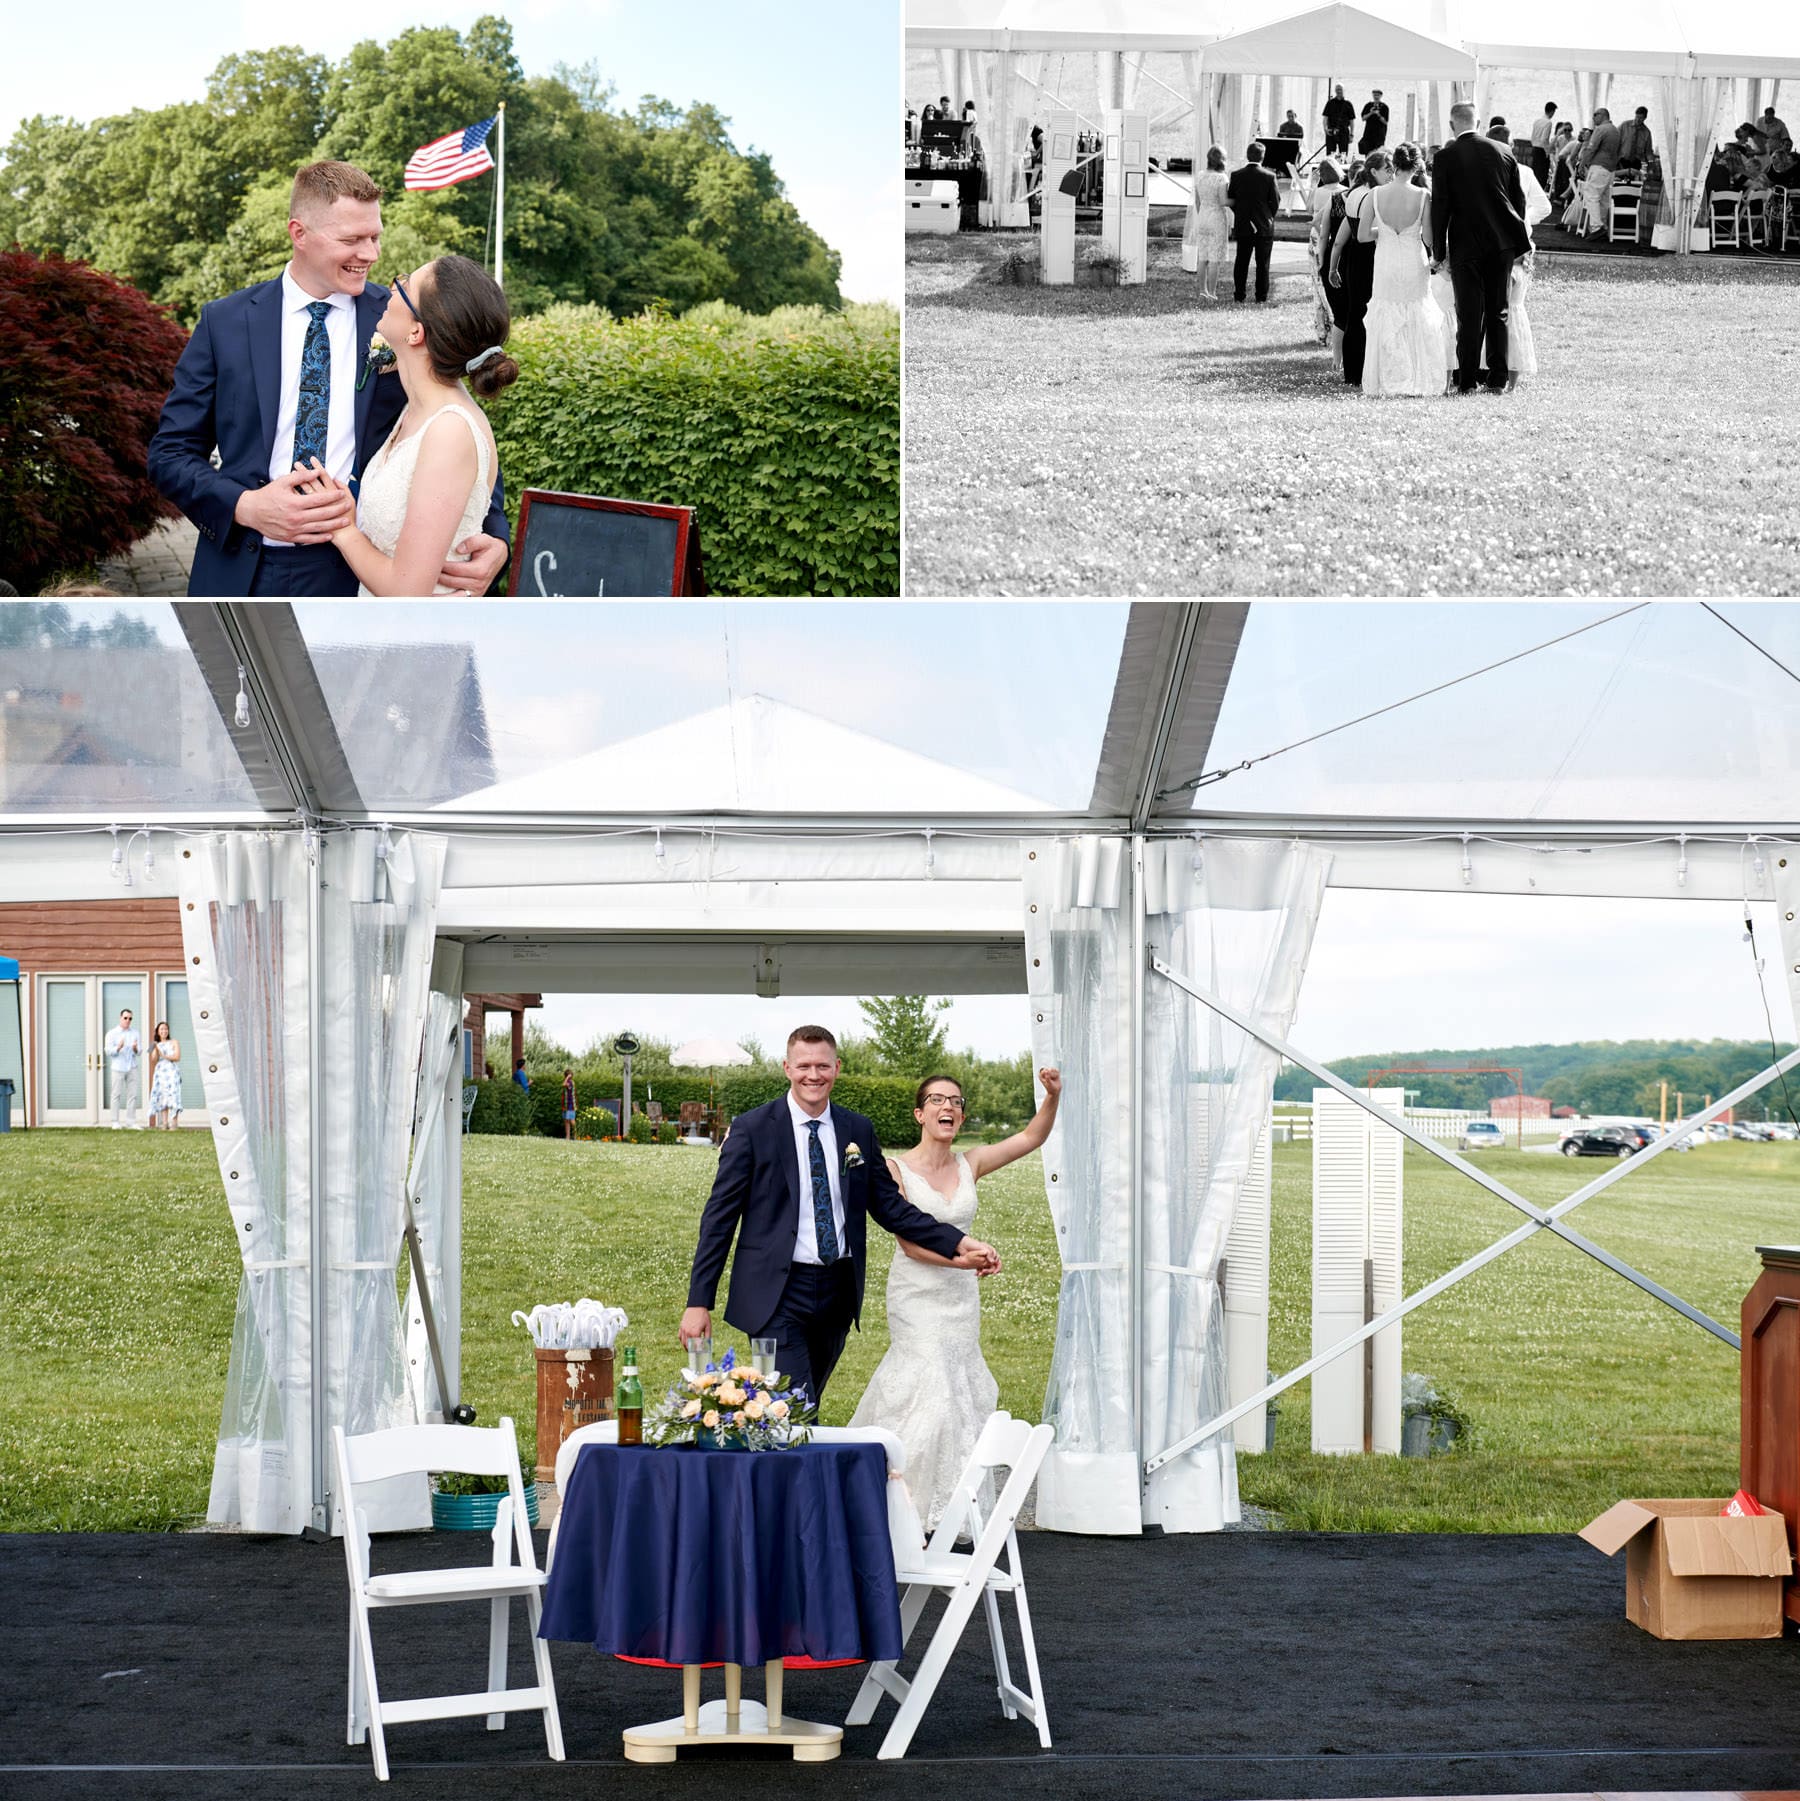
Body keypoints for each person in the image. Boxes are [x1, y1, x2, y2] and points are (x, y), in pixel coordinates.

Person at [148, 161, 510, 598]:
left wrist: (495, 537)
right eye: (352, 240)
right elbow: (170, 454)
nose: (370, 254)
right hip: (242, 567)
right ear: (299, 233)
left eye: (375, 237)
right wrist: (247, 507)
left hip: (360, 574)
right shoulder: (224, 322)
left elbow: (456, 430)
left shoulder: (401, 321)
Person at [681, 1026, 1001, 1411]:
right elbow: (719, 1218)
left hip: (836, 1293)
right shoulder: (753, 1129)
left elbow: (891, 1206)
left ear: (837, 1067)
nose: (813, 1075)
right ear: (787, 1068)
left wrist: (957, 1241)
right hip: (776, 1293)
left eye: (822, 1066)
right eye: (803, 1066)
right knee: (794, 1410)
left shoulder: (857, 1129)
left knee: (803, 1404)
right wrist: (699, 1301)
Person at [849, 1069, 1062, 1530]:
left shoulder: (972, 1163)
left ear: (961, 1117)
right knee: (930, 1391)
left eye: (956, 1102)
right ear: (919, 1114)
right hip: (918, 1296)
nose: (948, 1107)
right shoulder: (896, 1169)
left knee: (959, 1391)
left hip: (961, 1302)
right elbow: (909, 1244)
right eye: (937, 1100)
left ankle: (951, 1513)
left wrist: (1052, 1096)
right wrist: (965, 1261)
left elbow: (1031, 1137)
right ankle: (899, 1513)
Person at [301, 255, 519, 596]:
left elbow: (407, 591)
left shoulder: (449, 430)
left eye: (404, 286)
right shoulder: (417, 409)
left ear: (416, 332)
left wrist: (343, 530)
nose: (391, 289)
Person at [1430, 101, 1531, 393]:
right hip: (1501, 243)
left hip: (1465, 243)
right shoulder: (1504, 151)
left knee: (1468, 313)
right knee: (1499, 310)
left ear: (1452, 125)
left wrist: (1439, 252)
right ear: (1478, 122)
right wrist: (1516, 239)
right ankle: (1497, 379)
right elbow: (1518, 201)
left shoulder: (1445, 157)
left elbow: (1440, 207)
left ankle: (1467, 380)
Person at [1358, 143, 1449, 398]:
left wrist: (1384, 232)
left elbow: (1362, 235)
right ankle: (1417, 379)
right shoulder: (1422, 196)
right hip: (1412, 261)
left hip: (1385, 262)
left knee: (1386, 313)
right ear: (1417, 166)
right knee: (1416, 315)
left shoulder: (1375, 194)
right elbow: (1428, 239)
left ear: (1393, 165)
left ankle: (1388, 379)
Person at [1328, 153, 1386, 385]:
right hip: (1369, 255)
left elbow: (1341, 236)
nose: (1390, 175)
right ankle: (1364, 371)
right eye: (1387, 170)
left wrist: (1333, 266)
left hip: (1353, 257)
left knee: (1354, 313)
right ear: (1373, 171)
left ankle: (1352, 372)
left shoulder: (1353, 193)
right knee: (1367, 313)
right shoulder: (1371, 195)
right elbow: (1367, 233)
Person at [1227, 141, 1280, 303]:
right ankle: (1261, 296)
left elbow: (1232, 200)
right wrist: (1267, 217)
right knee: (1263, 263)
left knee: (1241, 262)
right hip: (1264, 226)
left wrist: (1241, 214)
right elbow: (1275, 201)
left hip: (1243, 224)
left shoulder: (1236, 175)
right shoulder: (1270, 176)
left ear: (1247, 155)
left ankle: (1239, 295)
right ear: (1263, 157)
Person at [1186, 146, 1232, 299]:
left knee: (1202, 257)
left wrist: (1202, 214)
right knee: (1214, 259)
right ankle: (1212, 293)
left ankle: (1202, 291)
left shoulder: (1200, 175)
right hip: (1216, 218)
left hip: (1203, 217)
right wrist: (1237, 200)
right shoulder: (1221, 178)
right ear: (1221, 160)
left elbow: (1198, 201)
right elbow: (1223, 201)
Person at [1575, 107, 1621, 240]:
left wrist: (1582, 164)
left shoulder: (1600, 129)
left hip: (1599, 166)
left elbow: (1591, 148)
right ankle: (1603, 227)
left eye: (1595, 115)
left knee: (1591, 195)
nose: (1593, 117)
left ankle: (1596, 227)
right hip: (1610, 169)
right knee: (1604, 199)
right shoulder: (1616, 131)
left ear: (1603, 115)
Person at [105, 1008, 141, 1129]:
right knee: (116, 1094)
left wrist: (135, 1048)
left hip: (132, 1066)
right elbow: (108, 1051)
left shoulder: (135, 1033)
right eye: (125, 1018)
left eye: (130, 1018)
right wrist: (118, 1048)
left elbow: (139, 1051)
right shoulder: (112, 1033)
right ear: (120, 1018)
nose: (128, 1020)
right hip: (118, 1067)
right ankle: (115, 1121)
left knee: (133, 1095)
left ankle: (131, 1121)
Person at [148, 1021, 183, 1130]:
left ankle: (174, 1123)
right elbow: (153, 1060)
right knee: (163, 1094)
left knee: (173, 1093)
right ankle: (164, 1123)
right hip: (160, 1071)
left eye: (166, 1029)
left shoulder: (174, 1042)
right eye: (161, 1029)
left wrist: (164, 1055)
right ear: (158, 1032)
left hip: (172, 1070)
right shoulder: (156, 1044)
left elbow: (177, 1057)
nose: (164, 1031)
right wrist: (155, 1048)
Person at [1529, 102, 1558, 189]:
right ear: (1552, 111)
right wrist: (1547, 152)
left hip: (1534, 149)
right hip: (1542, 151)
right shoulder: (1548, 123)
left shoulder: (1537, 121)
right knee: (1542, 176)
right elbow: (1544, 139)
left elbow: (1532, 137)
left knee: (1534, 174)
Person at [1324, 85, 1356, 157]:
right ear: (1335, 91)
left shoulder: (1348, 104)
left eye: (1340, 89)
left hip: (1343, 132)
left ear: (1343, 90)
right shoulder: (1330, 103)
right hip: (1331, 131)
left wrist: (1351, 134)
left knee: (1343, 154)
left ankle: (1342, 163)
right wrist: (1325, 129)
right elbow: (1325, 117)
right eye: (1337, 89)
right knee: (1330, 155)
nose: (1339, 91)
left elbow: (1352, 121)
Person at [1617, 106, 1653, 171]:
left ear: (1645, 118)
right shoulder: (1624, 125)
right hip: (1622, 161)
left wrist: (1651, 164)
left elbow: (1648, 151)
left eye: (1641, 118)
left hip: (1636, 163)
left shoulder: (1646, 132)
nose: (1638, 120)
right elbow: (1615, 140)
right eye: (1637, 117)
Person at [1359, 90, 1390, 157]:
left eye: (1377, 95)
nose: (1376, 97)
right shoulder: (1368, 105)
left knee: (1379, 154)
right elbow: (1363, 118)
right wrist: (1371, 113)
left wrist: (1378, 114)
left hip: (1379, 135)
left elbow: (1385, 122)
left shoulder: (1384, 107)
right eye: (1374, 95)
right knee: (1368, 153)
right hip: (1368, 134)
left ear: (1381, 96)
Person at [562, 1067, 576, 1141]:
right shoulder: (568, 1081)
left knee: (572, 1121)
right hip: (566, 1105)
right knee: (566, 1121)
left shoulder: (570, 1082)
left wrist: (567, 1077)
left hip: (571, 1105)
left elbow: (564, 1084)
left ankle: (576, 1135)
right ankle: (568, 1136)